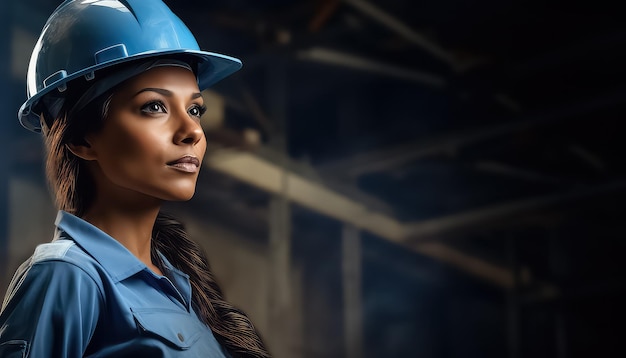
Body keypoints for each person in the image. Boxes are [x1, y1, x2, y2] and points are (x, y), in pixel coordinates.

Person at [0, 1, 270, 357]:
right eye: (154, 106)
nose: (192, 131)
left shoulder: (179, 285)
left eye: (195, 109)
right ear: (81, 139)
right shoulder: (67, 276)